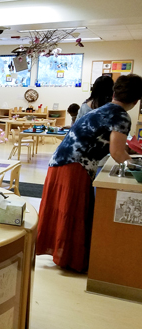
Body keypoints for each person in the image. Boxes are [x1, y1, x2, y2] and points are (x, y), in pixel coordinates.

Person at [37, 74, 142, 273]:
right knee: (74, 211)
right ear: (136, 100)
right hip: (74, 167)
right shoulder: (120, 115)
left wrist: (129, 155)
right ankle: (70, 260)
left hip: (60, 162)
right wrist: (137, 168)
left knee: (65, 210)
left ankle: (64, 257)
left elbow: (115, 147)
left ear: (115, 93)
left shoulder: (103, 109)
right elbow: (117, 153)